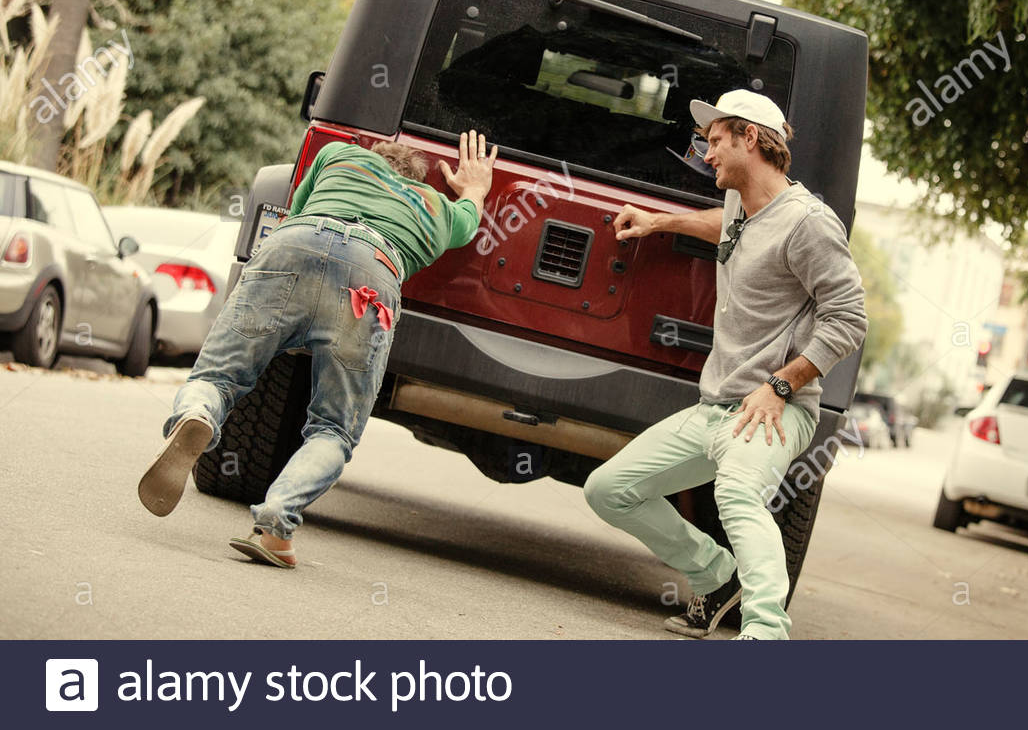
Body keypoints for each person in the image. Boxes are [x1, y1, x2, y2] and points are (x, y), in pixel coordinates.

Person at [138, 131, 497, 568]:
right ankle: (274, 525)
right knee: (333, 429)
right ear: (417, 179)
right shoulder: (436, 206)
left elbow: (300, 208)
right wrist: (475, 186)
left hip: (293, 247)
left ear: (376, 157)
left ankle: (199, 415)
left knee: (217, 378)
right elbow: (469, 217)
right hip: (371, 278)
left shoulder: (337, 155)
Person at [584, 90, 868, 639]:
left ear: (751, 139)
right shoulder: (745, 205)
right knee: (608, 489)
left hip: (772, 409)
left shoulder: (809, 223)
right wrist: (659, 222)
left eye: (715, 142)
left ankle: (765, 633)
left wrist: (781, 387)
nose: (706, 154)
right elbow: (725, 225)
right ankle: (717, 577)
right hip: (715, 407)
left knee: (737, 493)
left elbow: (849, 318)